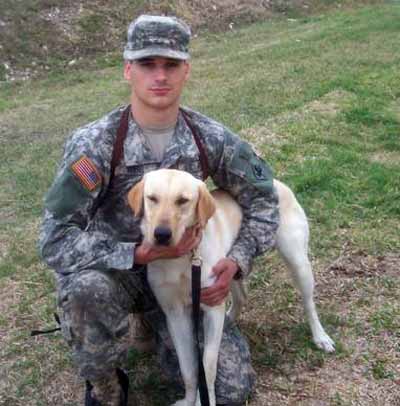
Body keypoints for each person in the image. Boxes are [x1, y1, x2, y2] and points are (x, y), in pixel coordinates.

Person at [39, 14, 279, 406]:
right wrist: (135, 253)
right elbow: (55, 239)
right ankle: (106, 387)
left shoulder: (209, 138)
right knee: (85, 291)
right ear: (127, 70)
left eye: (171, 64)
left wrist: (237, 259)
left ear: (186, 71)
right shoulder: (94, 144)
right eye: (147, 63)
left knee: (228, 391)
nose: (160, 75)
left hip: (185, 278)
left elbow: (265, 200)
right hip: (117, 276)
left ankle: (155, 323)